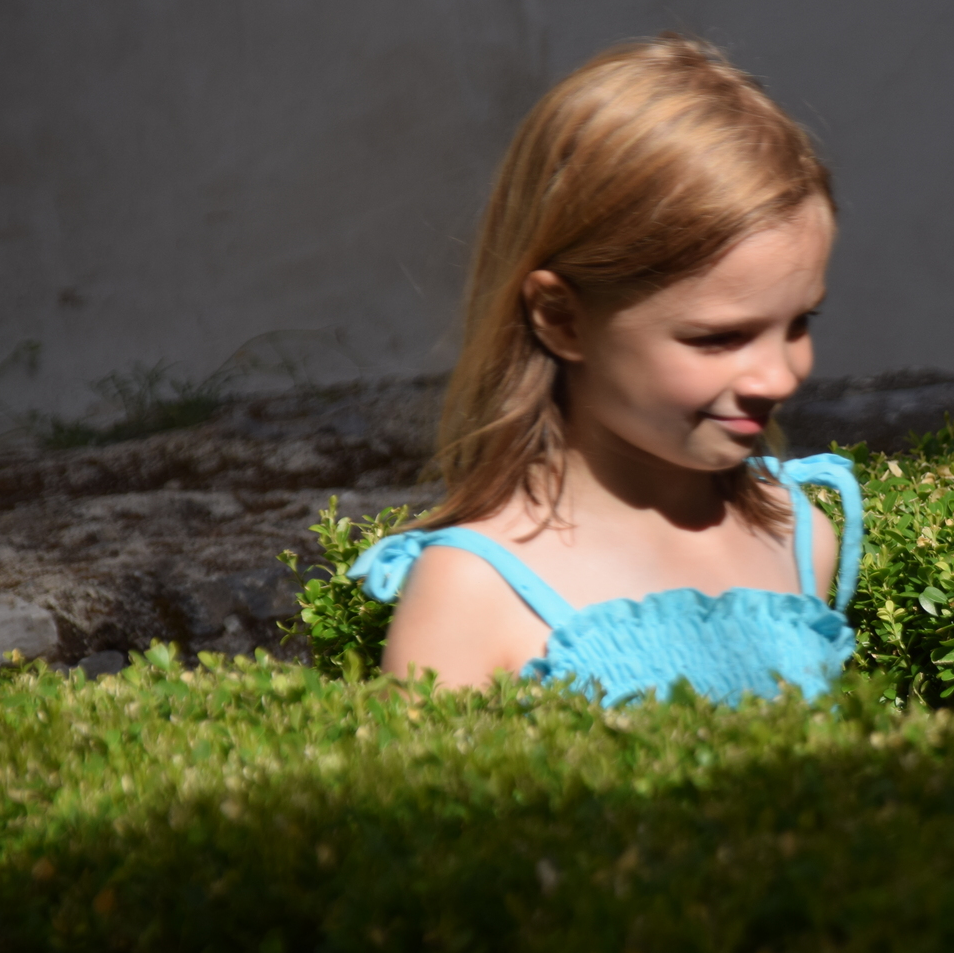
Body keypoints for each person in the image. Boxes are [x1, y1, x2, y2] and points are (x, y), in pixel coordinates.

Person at [350, 35, 863, 704]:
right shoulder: (473, 590)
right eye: (718, 338)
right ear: (562, 318)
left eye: (799, 324)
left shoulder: (798, 535)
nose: (779, 377)